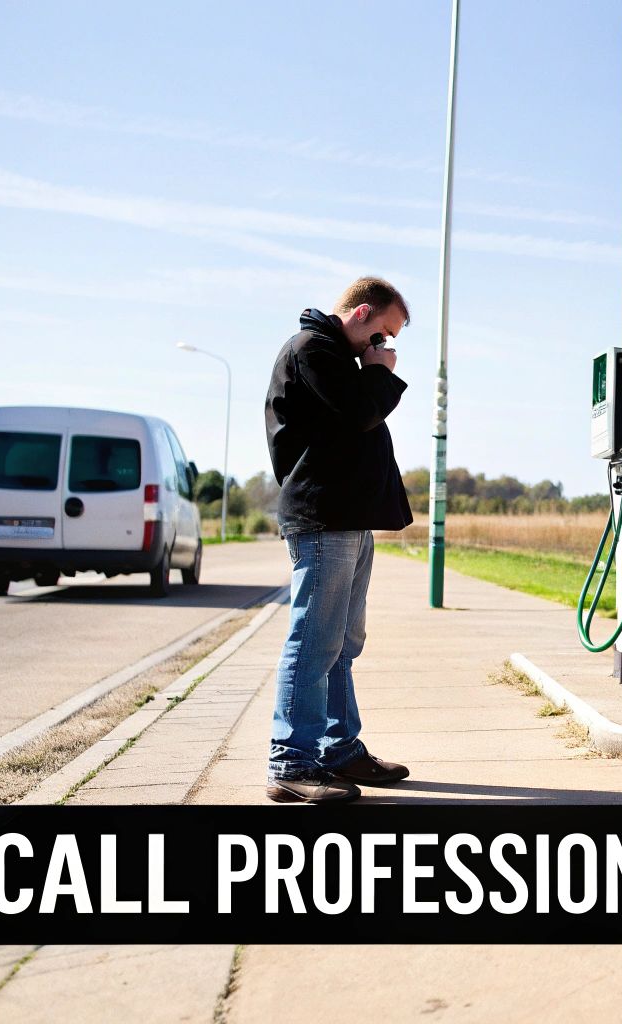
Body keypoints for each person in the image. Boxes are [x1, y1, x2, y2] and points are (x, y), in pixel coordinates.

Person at [262, 277, 416, 803]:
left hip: (348, 517)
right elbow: (358, 415)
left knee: (342, 645)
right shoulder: (313, 350)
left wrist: (371, 370)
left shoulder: (338, 357)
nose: (385, 347)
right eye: (383, 334)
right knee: (314, 643)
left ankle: (338, 749)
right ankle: (291, 761)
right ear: (362, 313)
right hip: (324, 517)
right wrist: (379, 374)